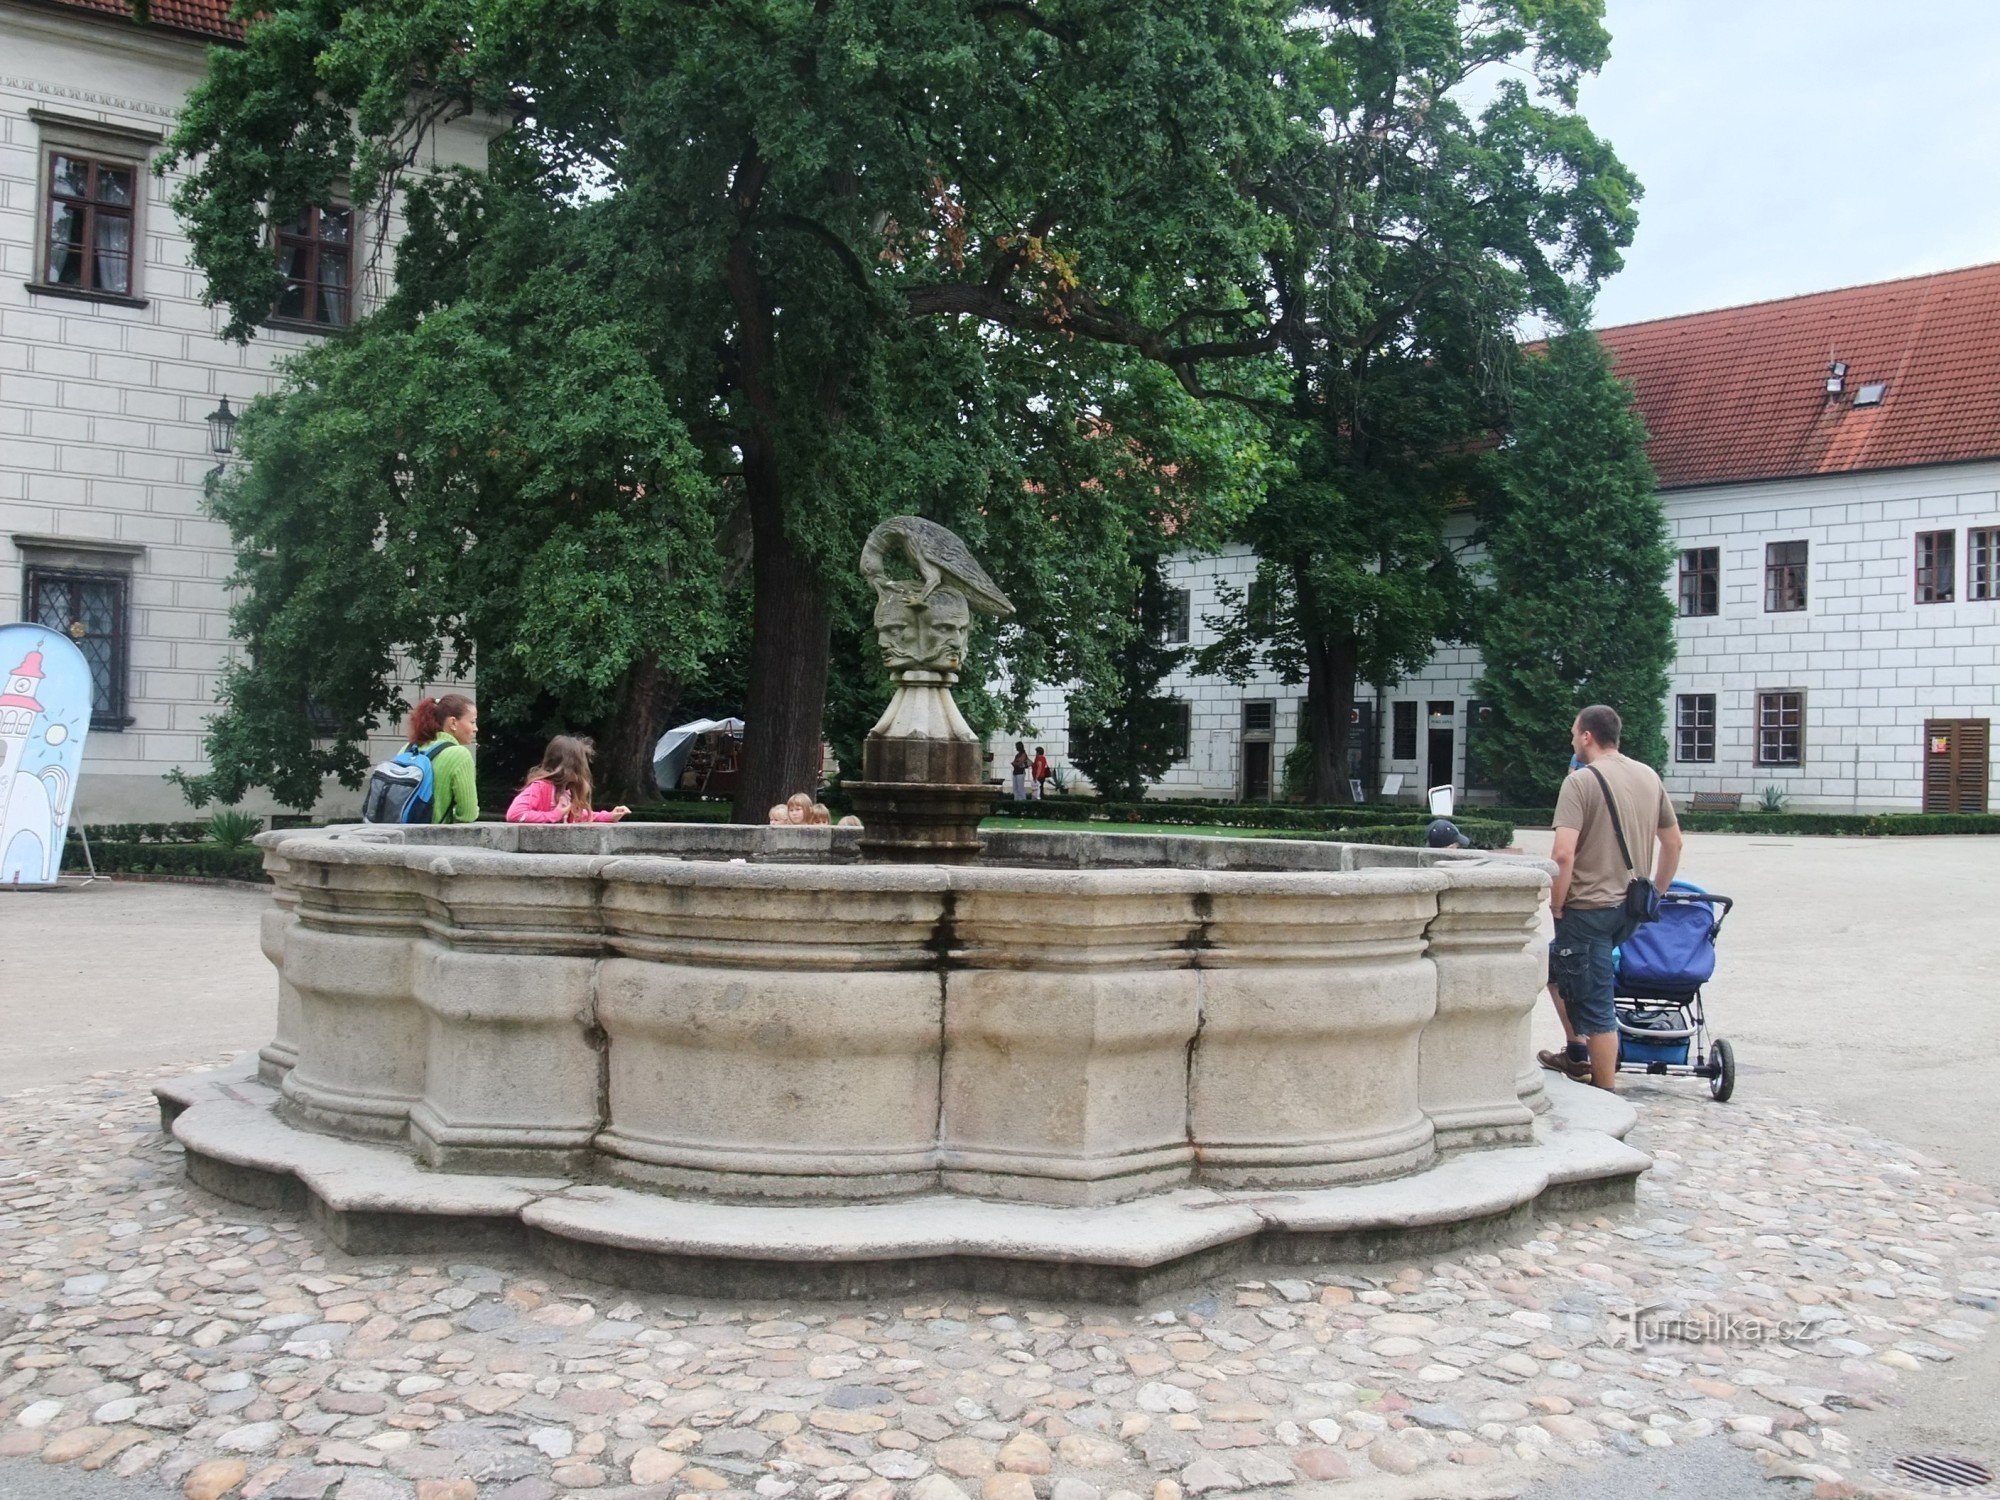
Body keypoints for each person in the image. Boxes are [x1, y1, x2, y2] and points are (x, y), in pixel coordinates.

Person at [1537, 705, 1683, 1091]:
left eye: (1574, 733)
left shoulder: (1580, 782)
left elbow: (1563, 854)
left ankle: (1605, 1093)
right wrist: (1657, 891)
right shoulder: (1648, 776)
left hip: (1588, 909)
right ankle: (1576, 1052)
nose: (1572, 740)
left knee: (1599, 1004)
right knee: (1556, 969)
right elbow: (1673, 843)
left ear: (1587, 736)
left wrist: (1556, 904)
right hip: (1630, 910)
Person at [505, 735, 630, 823]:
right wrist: (554, 815)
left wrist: (609, 816)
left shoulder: (567, 791)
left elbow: (578, 815)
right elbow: (515, 814)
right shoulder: (540, 787)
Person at [407, 693, 480, 824]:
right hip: (431, 840)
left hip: (396, 833)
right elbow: (468, 814)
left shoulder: (410, 747)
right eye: (472, 722)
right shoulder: (459, 754)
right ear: (453, 722)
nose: (476, 728)